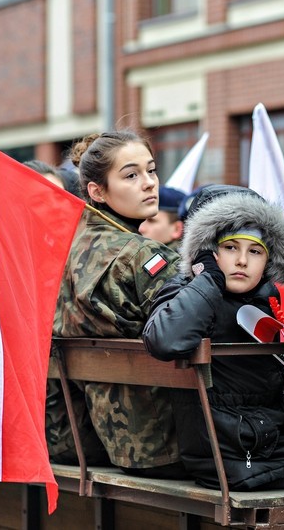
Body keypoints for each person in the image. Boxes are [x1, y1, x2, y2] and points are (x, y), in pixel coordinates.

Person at [144, 185, 284, 490]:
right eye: (231, 247)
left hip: (265, 441)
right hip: (235, 455)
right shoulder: (188, 291)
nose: (242, 260)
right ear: (206, 250)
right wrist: (208, 278)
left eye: (255, 251)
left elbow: (252, 368)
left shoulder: (260, 297)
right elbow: (165, 339)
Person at [47, 130, 186, 477]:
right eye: (131, 175)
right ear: (97, 192)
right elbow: (196, 331)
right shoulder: (143, 255)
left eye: (151, 170)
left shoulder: (68, 246)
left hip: (88, 439)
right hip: (163, 443)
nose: (149, 183)